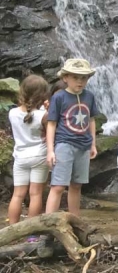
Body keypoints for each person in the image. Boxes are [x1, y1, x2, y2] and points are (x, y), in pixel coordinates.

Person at [45, 58, 99, 216]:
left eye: (83, 78)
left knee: (76, 185)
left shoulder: (89, 96)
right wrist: (50, 150)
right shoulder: (59, 97)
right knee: (58, 186)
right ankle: (48, 224)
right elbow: (51, 123)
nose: (80, 81)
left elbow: (91, 120)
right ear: (65, 78)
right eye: (75, 77)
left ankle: (76, 222)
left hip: (83, 146)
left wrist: (93, 144)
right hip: (64, 144)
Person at [8, 75, 50, 235]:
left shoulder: (12, 113)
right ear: (43, 95)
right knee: (35, 194)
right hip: (39, 157)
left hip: (20, 157)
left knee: (18, 195)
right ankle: (31, 234)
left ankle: (12, 231)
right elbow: (50, 133)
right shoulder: (43, 116)